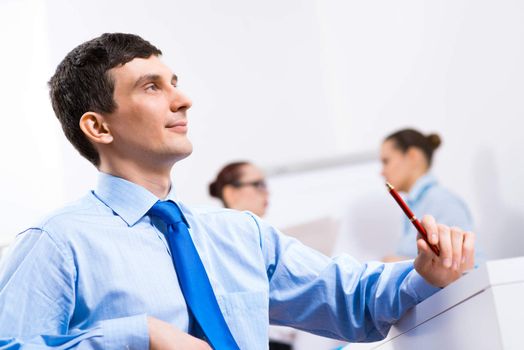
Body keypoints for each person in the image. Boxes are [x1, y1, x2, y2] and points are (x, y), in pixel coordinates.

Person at [0, 33, 475, 349]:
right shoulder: (57, 243)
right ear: (97, 126)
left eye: (175, 83)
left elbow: (350, 298)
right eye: (151, 87)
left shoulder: (240, 236)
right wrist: (135, 337)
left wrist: (424, 273)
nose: (183, 99)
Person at [209, 161, 295, 349]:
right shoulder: (219, 243)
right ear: (230, 193)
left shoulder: (264, 240)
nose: (267, 192)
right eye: (258, 185)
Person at [380, 128, 474, 262]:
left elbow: (462, 265)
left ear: (412, 156)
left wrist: (394, 264)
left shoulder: (442, 201)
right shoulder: (415, 204)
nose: (382, 172)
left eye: (386, 161)